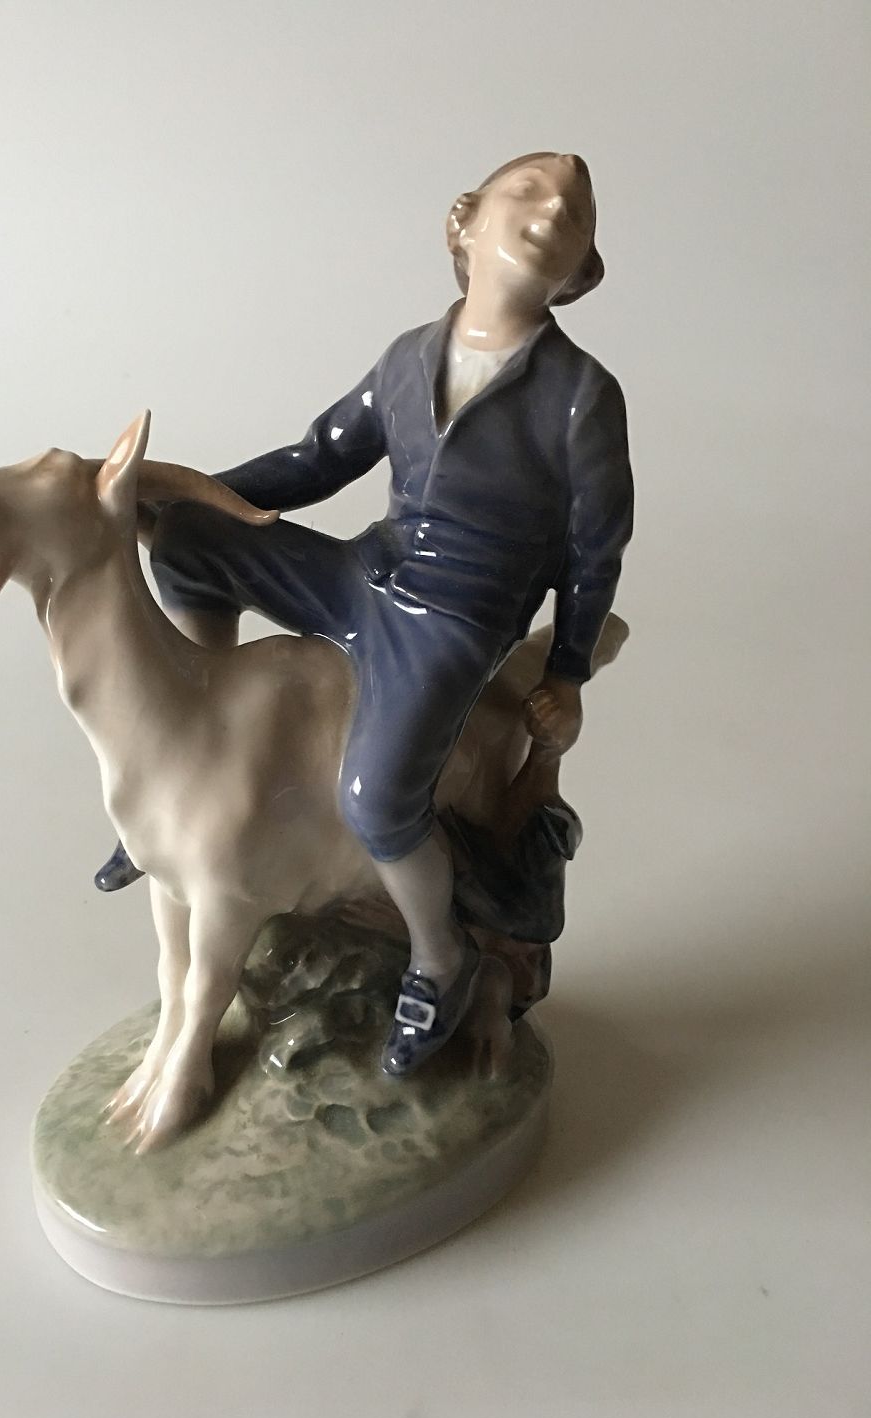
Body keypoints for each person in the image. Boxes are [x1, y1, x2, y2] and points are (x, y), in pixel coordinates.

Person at [97, 151, 634, 1077]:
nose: (552, 210)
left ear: (580, 270)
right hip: (366, 574)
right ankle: (191, 753)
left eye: (574, 212)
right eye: (528, 190)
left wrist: (569, 670)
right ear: (466, 221)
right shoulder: (408, 358)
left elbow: (597, 548)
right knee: (185, 544)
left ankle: (441, 957)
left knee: (378, 800)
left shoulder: (580, 394)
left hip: (455, 619)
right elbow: (316, 461)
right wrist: (184, 492)